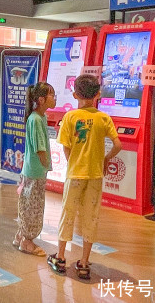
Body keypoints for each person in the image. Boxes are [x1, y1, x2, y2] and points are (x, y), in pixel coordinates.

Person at [48, 74, 121, 279]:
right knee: (91, 216)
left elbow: (66, 147)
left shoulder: (70, 117)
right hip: (95, 175)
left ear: (75, 95)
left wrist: (73, 162)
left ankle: (60, 257)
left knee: (68, 214)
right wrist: (105, 159)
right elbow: (118, 145)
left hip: (75, 174)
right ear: (98, 94)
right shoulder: (104, 118)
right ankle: (83, 263)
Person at [13, 82, 55, 257]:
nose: (54, 98)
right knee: (34, 207)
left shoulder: (38, 117)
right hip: (35, 171)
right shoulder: (36, 119)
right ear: (41, 99)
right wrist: (45, 166)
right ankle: (27, 241)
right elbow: (40, 149)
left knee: (27, 204)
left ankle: (20, 235)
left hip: (31, 170)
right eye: (51, 95)